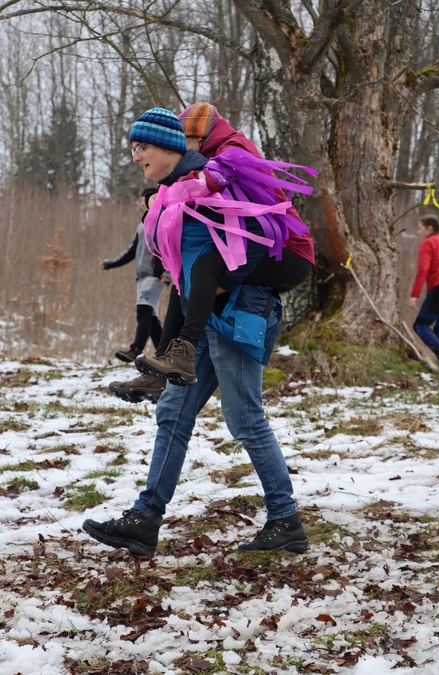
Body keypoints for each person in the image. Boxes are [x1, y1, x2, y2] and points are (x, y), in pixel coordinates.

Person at [83, 107, 313, 556]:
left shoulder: (208, 181)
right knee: (172, 412)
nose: (135, 157)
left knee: (244, 418)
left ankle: (286, 519)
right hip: (207, 314)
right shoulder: (177, 193)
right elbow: (186, 281)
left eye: (141, 148)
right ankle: (145, 519)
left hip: (240, 309)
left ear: (174, 144)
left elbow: (222, 257)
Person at [131, 104, 315, 386]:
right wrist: (156, 197)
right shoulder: (206, 158)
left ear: (200, 138)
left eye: (187, 143)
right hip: (253, 244)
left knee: (205, 267)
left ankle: (185, 351)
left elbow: (210, 181)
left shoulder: (234, 149)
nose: (185, 151)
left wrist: (166, 196)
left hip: (285, 250)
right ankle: (161, 368)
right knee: (185, 278)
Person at [101, 187, 167, 363]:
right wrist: (111, 264)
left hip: (157, 275)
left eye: (144, 199)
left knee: (143, 311)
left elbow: (172, 247)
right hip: (142, 276)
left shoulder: (164, 220)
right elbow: (131, 251)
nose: (141, 203)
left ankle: (136, 348)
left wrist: (168, 272)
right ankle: (164, 354)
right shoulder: (141, 225)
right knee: (150, 316)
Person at [409, 215, 439, 368]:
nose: (419, 232)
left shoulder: (427, 243)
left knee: (420, 326)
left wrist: (414, 295)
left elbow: (423, 269)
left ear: (429, 228)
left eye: (421, 228)